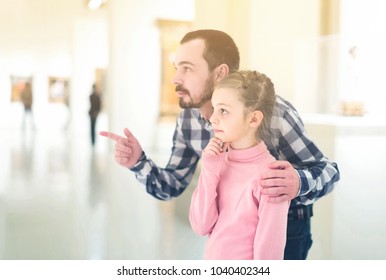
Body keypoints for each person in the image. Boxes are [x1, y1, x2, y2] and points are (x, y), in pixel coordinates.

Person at [100, 29, 340, 260]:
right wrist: (138, 162)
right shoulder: (188, 118)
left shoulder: (274, 113)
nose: (175, 78)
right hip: (227, 236)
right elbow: (171, 186)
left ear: (219, 74)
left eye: (187, 68)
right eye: (176, 68)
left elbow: (328, 171)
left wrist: (298, 182)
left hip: (287, 230)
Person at [189, 70, 289, 259]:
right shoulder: (217, 163)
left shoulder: (271, 177)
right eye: (214, 109)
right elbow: (201, 226)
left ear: (253, 119)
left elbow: (269, 256)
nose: (212, 118)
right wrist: (210, 171)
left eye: (223, 111)